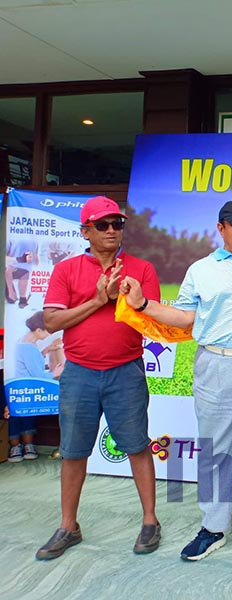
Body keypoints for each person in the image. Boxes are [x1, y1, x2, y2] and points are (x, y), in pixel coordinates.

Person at [120, 199, 232, 563]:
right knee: (216, 448)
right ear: (221, 228)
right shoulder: (201, 269)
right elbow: (183, 317)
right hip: (217, 363)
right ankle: (213, 527)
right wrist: (142, 304)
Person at [36, 195, 161, 559]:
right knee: (74, 452)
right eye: (103, 224)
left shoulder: (141, 269)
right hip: (79, 373)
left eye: (117, 224)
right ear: (85, 230)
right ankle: (67, 526)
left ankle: (150, 520)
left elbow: (153, 324)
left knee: (137, 445)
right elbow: (52, 322)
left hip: (126, 370)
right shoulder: (67, 270)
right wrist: (97, 300)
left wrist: (134, 302)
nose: (112, 230)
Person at [7, 311, 65, 462]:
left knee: (17, 415)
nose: (48, 333)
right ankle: (26, 445)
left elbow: (28, 362)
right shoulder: (30, 348)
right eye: (47, 330)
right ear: (38, 330)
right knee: (28, 415)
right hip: (30, 387)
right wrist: (55, 372)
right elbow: (37, 376)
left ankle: (16, 446)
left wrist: (47, 350)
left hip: (18, 387)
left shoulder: (22, 342)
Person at [6, 239, 39, 308]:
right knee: (10, 269)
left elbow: (36, 262)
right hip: (10, 268)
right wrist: (10, 291)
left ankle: (22, 298)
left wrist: (34, 257)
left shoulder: (35, 241)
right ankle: (11, 292)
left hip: (24, 268)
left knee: (25, 274)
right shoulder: (10, 238)